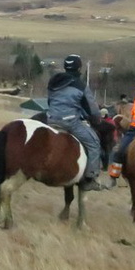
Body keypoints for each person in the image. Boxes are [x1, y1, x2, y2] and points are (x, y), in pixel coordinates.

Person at [46, 54, 105, 191]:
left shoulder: (54, 81)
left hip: (51, 118)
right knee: (94, 143)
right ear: (79, 68)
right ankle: (90, 178)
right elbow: (92, 108)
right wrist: (96, 119)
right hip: (70, 122)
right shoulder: (80, 85)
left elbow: (50, 101)